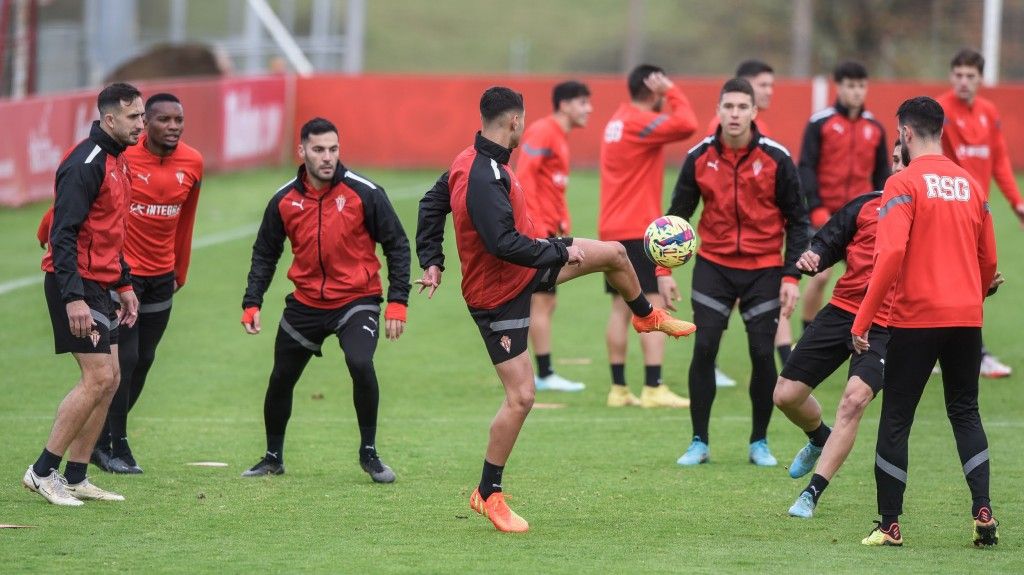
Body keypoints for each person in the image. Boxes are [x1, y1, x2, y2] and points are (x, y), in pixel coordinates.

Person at [415, 86, 695, 533]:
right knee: (522, 397)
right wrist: (557, 253)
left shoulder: (470, 158)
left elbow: (432, 204)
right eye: (522, 121)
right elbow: (500, 243)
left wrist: (431, 258)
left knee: (616, 255)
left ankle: (645, 315)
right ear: (514, 123)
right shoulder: (483, 174)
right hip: (496, 295)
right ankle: (487, 493)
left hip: (526, 266)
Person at [853, 96, 998, 547]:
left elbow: (891, 253)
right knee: (965, 411)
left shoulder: (903, 182)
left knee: (896, 417)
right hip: (966, 319)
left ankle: (889, 524)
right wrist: (975, 292)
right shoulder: (971, 185)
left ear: (906, 133)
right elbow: (989, 259)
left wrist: (862, 319)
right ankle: (983, 511)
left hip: (916, 318)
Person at [239, 117, 410, 484]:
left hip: (357, 300)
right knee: (281, 378)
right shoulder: (284, 200)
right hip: (305, 305)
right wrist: (252, 302)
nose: (327, 157)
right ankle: (273, 457)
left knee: (360, 363)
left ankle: (369, 453)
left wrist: (398, 302)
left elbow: (397, 245)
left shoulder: (365, 192)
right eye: (319, 150)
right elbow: (264, 254)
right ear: (302, 151)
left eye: (333, 149)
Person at [665, 77, 809, 467]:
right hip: (714, 266)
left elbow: (799, 221)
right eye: (728, 106)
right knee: (705, 347)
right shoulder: (698, 157)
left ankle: (758, 442)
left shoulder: (777, 158)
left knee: (763, 353)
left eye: (742, 107)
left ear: (754, 112)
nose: (734, 114)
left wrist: (792, 277)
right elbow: (676, 219)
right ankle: (699, 441)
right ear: (718, 110)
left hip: (765, 269)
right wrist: (663, 271)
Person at [23, 83, 144, 505]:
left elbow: (112, 232)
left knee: (110, 380)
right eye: (134, 118)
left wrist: (124, 283)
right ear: (109, 119)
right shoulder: (86, 163)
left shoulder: (119, 161)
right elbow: (63, 233)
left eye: (142, 116)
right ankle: (42, 472)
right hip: (73, 284)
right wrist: (74, 297)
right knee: (97, 377)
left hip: (100, 285)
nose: (141, 125)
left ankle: (76, 475)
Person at [774, 138, 905, 518]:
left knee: (853, 400)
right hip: (843, 311)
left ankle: (812, 492)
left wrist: (982, 283)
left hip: (887, 323)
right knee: (785, 396)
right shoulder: (867, 204)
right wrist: (814, 255)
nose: (898, 167)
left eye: (905, 161)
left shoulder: (928, 215)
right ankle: (818, 437)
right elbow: (829, 240)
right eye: (895, 160)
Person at [88, 93, 202, 474]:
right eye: (163, 120)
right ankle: (115, 445)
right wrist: (48, 226)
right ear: (145, 124)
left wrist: (180, 270)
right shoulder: (123, 158)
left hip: (162, 276)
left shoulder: (193, 162)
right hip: (125, 278)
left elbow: (186, 221)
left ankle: (102, 439)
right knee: (128, 359)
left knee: (145, 360)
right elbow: (88, 198)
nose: (173, 127)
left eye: (178, 120)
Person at [598, 64, 698, 408]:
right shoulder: (640, 122)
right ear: (651, 88)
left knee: (619, 308)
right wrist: (671, 89)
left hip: (612, 227)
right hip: (636, 229)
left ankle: (618, 389)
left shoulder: (618, 120)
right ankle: (654, 387)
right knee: (651, 304)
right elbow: (687, 124)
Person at [937, 48, 1021, 379]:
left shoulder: (988, 112)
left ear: (981, 79)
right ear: (950, 76)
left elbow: (999, 160)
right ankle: (976, 353)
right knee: (966, 282)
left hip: (977, 215)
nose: (963, 82)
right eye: (958, 75)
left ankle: (940, 349)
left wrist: (1017, 203)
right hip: (943, 211)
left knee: (965, 282)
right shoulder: (938, 110)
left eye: (970, 76)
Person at [798, 61, 888, 341]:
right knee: (820, 275)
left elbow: (882, 175)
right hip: (825, 215)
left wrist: (883, 212)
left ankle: (872, 335)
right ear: (839, 86)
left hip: (862, 218)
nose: (856, 92)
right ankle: (808, 335)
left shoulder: (875, 128)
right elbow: (806, 167)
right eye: (851, 85)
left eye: (861, 86)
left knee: (870, 279)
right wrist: (816, 207)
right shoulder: (820, 123)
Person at [515, 80, 592, 392]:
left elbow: (552, 185)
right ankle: (544, 374)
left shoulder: (559, 135)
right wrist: (534, 228)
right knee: (542, 302)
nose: (589, 109)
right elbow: (524, 176)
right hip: (538, 231)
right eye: (583, 102)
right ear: (565, 104)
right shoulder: (544, 131)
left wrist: (562, 220)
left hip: (550, 230)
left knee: (544, 302)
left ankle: (541, 372)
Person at [707, 59, 777, 388]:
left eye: (770, 86)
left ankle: (787, 367)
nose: (769, 92)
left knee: (764, 331)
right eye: (763, 85)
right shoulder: (718, 136)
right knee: (717, 318)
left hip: (760, 252)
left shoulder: (768, 144)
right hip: (724, 250)